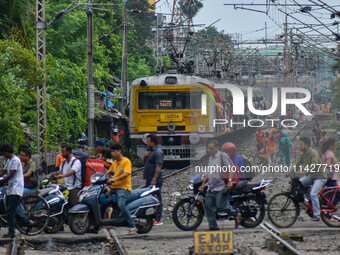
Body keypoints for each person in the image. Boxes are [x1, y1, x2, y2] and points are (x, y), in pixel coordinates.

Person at [200, 140, 241, 230]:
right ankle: (213, 226)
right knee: (208, 205)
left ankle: (236, 213)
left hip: (221, 186)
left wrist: (230, 181)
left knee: (221, 206)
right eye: (208, 148)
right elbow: (209, 173)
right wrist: (203, 184)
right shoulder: (211, 158)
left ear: (217, 147)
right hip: (211, 187)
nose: (209, 150)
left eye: (211, 148)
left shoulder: (222, 156)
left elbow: (231, 168)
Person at [0, 143, 34, 238]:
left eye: (3, 153)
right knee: (11, 209)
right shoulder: (9, 161)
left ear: (7, 151)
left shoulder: (15, 160)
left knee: (10, 211)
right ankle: (27, 222)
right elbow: (3, 171)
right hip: (11, 188)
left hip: (16, 188)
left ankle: (12, 231)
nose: (3, 155)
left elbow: (10, 174)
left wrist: (2, 180)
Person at [295, 137, 327, 221]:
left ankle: (317, 215)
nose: (300, 146)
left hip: (320, 177)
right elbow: (297, 164)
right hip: (312, 177)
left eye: (301, 145)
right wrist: (289, 172)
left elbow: (314, 164)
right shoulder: (303, 154)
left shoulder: (313, 153)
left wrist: (304, 172)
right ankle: (311, 202)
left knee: (313, 194)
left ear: (307, 145)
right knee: (299, 183)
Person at [107, 144, 136, 235]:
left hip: (123, 188)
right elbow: (108, 173)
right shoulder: (115, 163)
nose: (112, 153)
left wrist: (115, 179)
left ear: (119, 151)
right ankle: (108, 222)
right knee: (103, 199)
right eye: (112, 151)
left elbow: (126, 173)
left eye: (114, 151)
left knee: (121, 204)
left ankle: (132, 225)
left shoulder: (126, 161)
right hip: (114, 188)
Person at [143, 134, 163, 226]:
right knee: (150, 198)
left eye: (148, 141)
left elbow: (158, 167)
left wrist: (154, 179)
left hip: (154, 180)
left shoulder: (158, 152)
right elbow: (145, 164)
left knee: (157, 198)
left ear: (153, 142)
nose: (147, 143)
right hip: (149, 179)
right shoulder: (150, 152)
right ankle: (152, 218)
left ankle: (158, 219)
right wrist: (145, 157)